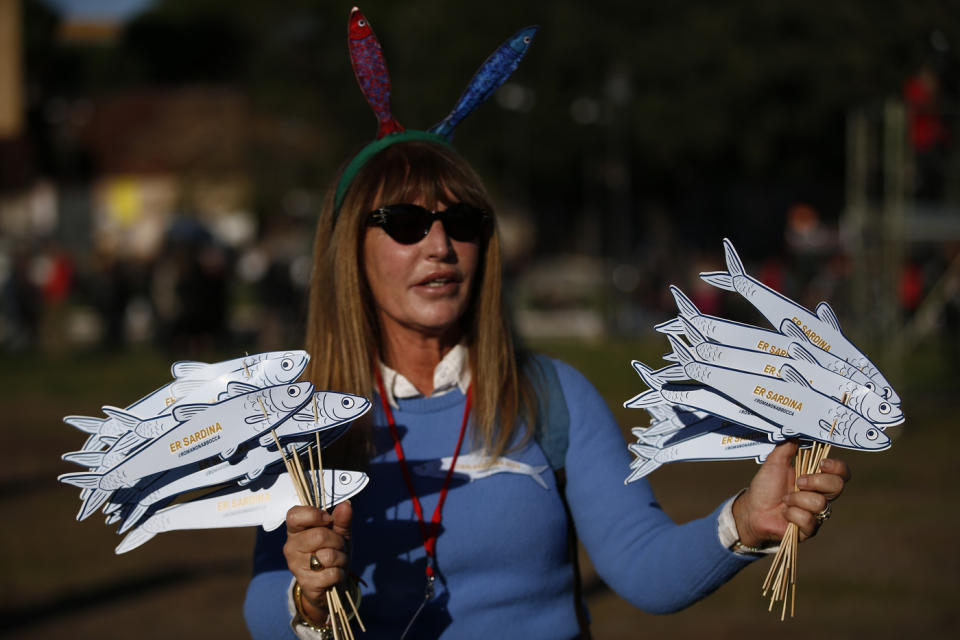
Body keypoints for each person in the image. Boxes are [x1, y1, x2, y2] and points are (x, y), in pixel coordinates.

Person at [242, 135, 851, 639]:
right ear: (351, 248)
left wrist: (743, 521)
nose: (440, 246)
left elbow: (644, 568)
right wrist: (308, 601)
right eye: (404, 223)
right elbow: (264, 597)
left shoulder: (553, 394)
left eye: (461, 222)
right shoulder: (300, 421)